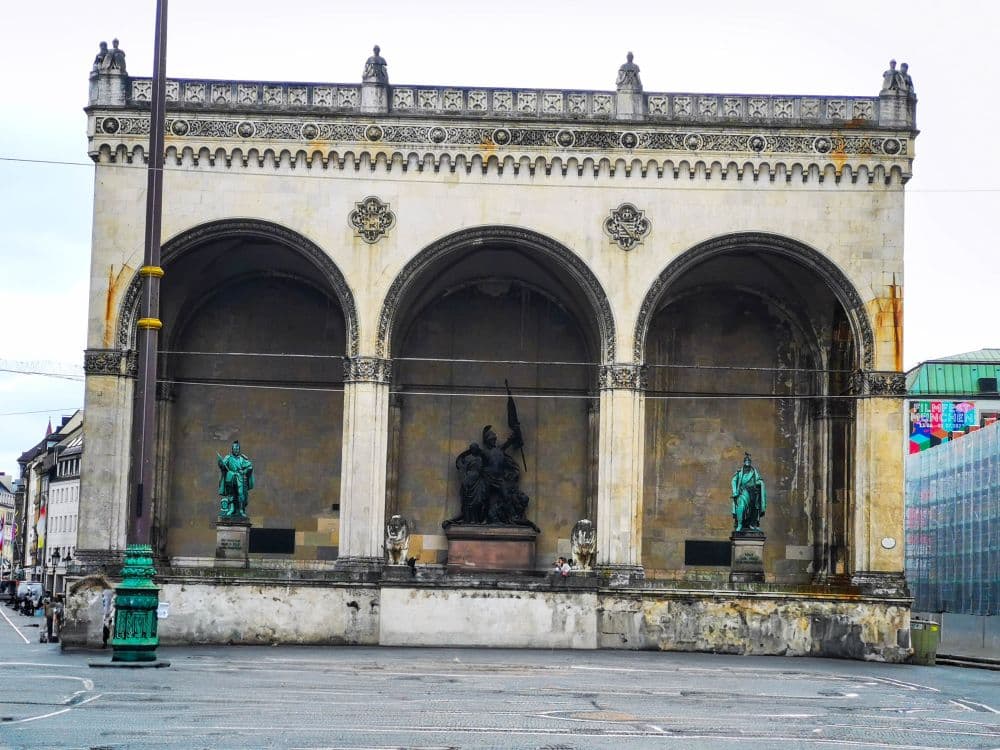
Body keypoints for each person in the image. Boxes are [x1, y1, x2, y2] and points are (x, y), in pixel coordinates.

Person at [217, 440, 254, 517]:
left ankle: (241, 510)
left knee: (241, 494)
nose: (236, 450)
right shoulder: (228, 457)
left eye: (237, 449)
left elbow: (250, 467)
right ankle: (231, 508)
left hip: (240, 478)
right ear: (232, 449)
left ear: (239, 449)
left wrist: (244, 471)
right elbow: (223, 466)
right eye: (234, 449)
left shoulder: (242, 458)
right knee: (231, 494)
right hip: (231, 478)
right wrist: (220, 462)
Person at [731, 452, 766, 532]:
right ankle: (739, 524)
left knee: (754, 509)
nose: (748, 463)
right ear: (744, 462)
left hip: (753, 492)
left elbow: (759, 480)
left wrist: (760, 483)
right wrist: (734, 492)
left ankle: (752, 524)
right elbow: (733, 480)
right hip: (743, 491)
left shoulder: (754, 471)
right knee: (741, 506)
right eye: (746, 462)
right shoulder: (740, 472)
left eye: (749, 462)